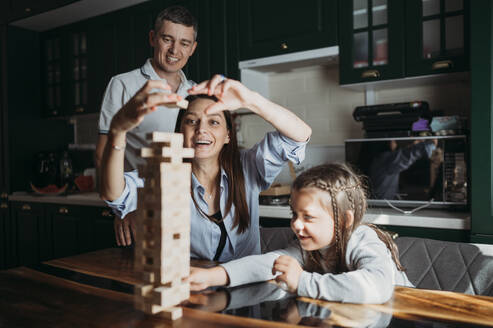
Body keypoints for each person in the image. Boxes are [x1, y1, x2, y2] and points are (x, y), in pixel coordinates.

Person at [100, 75, 312, 261]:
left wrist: (251, 100)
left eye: (213, 122)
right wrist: (118, 130)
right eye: (192, 121)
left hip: (246, 294)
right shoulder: (165, 176)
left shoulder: (248, 166)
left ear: (228, 135)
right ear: (180, 132)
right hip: (192, 296)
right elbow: (114, 193)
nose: (201, 130)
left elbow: (299, 135)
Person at [187, 163, 413, 304]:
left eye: (308, 217)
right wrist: (210, 276)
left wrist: (303, 281)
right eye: (294, 214)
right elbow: (272, 263)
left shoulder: (362, 239)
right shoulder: (307, 245)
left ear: (345, 220)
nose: (296, 224)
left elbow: (376, 287)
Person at [94, 5, 198, 246]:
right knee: (138, 281)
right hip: (139, 213)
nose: (175, 50)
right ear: (153, 38)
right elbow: (102, 155)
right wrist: (121, 209)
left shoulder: (194, 91)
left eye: (184, 43)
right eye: (167, 39)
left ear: (193, 48)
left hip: (186, 212)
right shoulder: (123, 84)